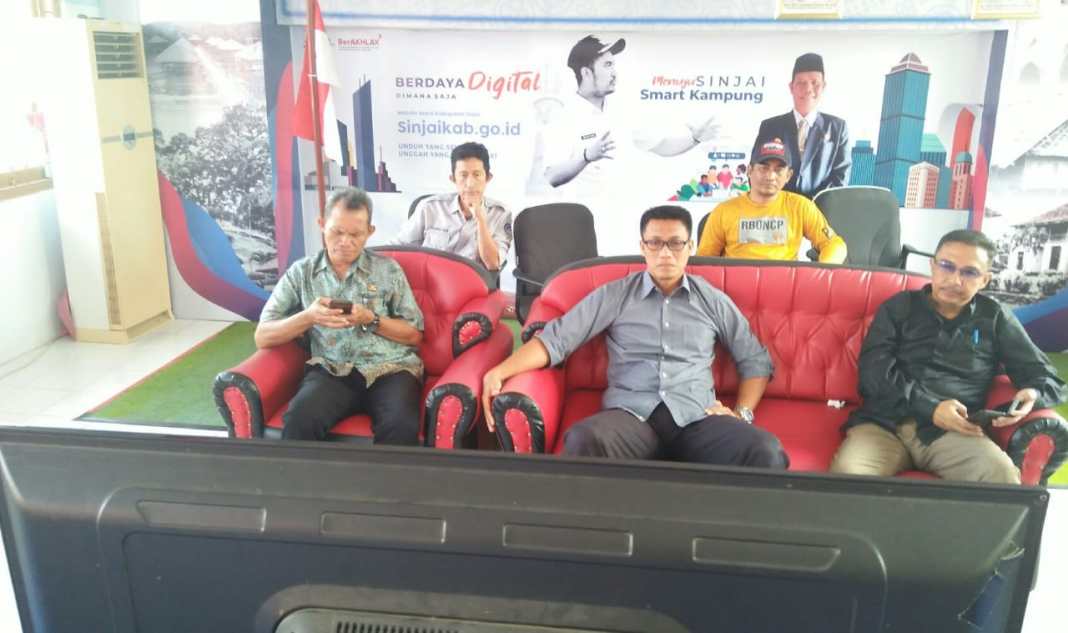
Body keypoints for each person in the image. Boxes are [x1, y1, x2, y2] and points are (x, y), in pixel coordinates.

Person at [482, 205, 788, 468]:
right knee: (583, 440)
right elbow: (557, 340)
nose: (665, 253)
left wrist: (742, 413)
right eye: (655, 243)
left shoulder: (711, 300)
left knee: (765, 451)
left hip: (697, 418)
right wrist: (499, 372)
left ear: (690, 246)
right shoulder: (617, 295)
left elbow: (755, 361)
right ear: (642, 247)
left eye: (675, 243)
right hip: (632, 419)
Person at [830, 230, 1067, 483]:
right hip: (884, 423)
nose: (955, 280)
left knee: (1001, 476)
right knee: (848, 476)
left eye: (969, 272)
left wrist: (1034, 392)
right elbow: (873, 374)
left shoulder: (994, 317)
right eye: (946, 266)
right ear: (932, 266)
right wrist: (931, 408)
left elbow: (1044, 375)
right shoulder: (899, 307)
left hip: (953, 432)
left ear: (984, 280)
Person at [255, 187, 425, 444]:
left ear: (370, 232)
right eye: (337, 232)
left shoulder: (388, 270)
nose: (345, 241)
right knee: (300, 420)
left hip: (391, 369)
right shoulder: (301, 273)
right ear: (322, 225)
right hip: (331, 370)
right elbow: (262, 336)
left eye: (355, 234)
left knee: (400, 426)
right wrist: (308, 317)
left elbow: (414, 335)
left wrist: (371, 319)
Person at [542, 35, 718, 196]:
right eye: (607, 65)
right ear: (586, 73)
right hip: (583, 215)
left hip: (623, 211)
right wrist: (587, 156)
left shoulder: (622, 111)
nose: (614, 73)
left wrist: (694, 139)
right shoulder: (563, 116)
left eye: (613, 65)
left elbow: (661, 145)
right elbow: (551, 177)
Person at [696, 138, 847, 263]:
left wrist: (823, 271)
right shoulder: (724, 211)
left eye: (778, 170)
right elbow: (704, 261)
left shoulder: (801, 207)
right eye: (764, 168)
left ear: (788, 175)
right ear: (749, 170)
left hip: (784, 285)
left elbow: (834, 244)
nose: (770, 176)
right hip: (736, 286)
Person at [392, 142, 512, 271]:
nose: (470, 184)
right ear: (453, 178)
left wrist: (480, 220)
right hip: (431, 279)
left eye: (477, 175)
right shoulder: (429, 208)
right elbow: (397, 248)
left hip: (473, 281)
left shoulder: (501, 214)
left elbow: (493, 264)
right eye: (463, 175)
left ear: (488, 178)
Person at [751, 53, 850, 199]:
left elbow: (841, 178)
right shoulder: (770, 126)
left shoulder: (838, 127)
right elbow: (756, 172)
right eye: (802, 83)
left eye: (815, 83)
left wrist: (810, 207)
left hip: (819, 210)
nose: (808, 89)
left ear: (823, 86)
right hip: (777, 209)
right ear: (791, 87)